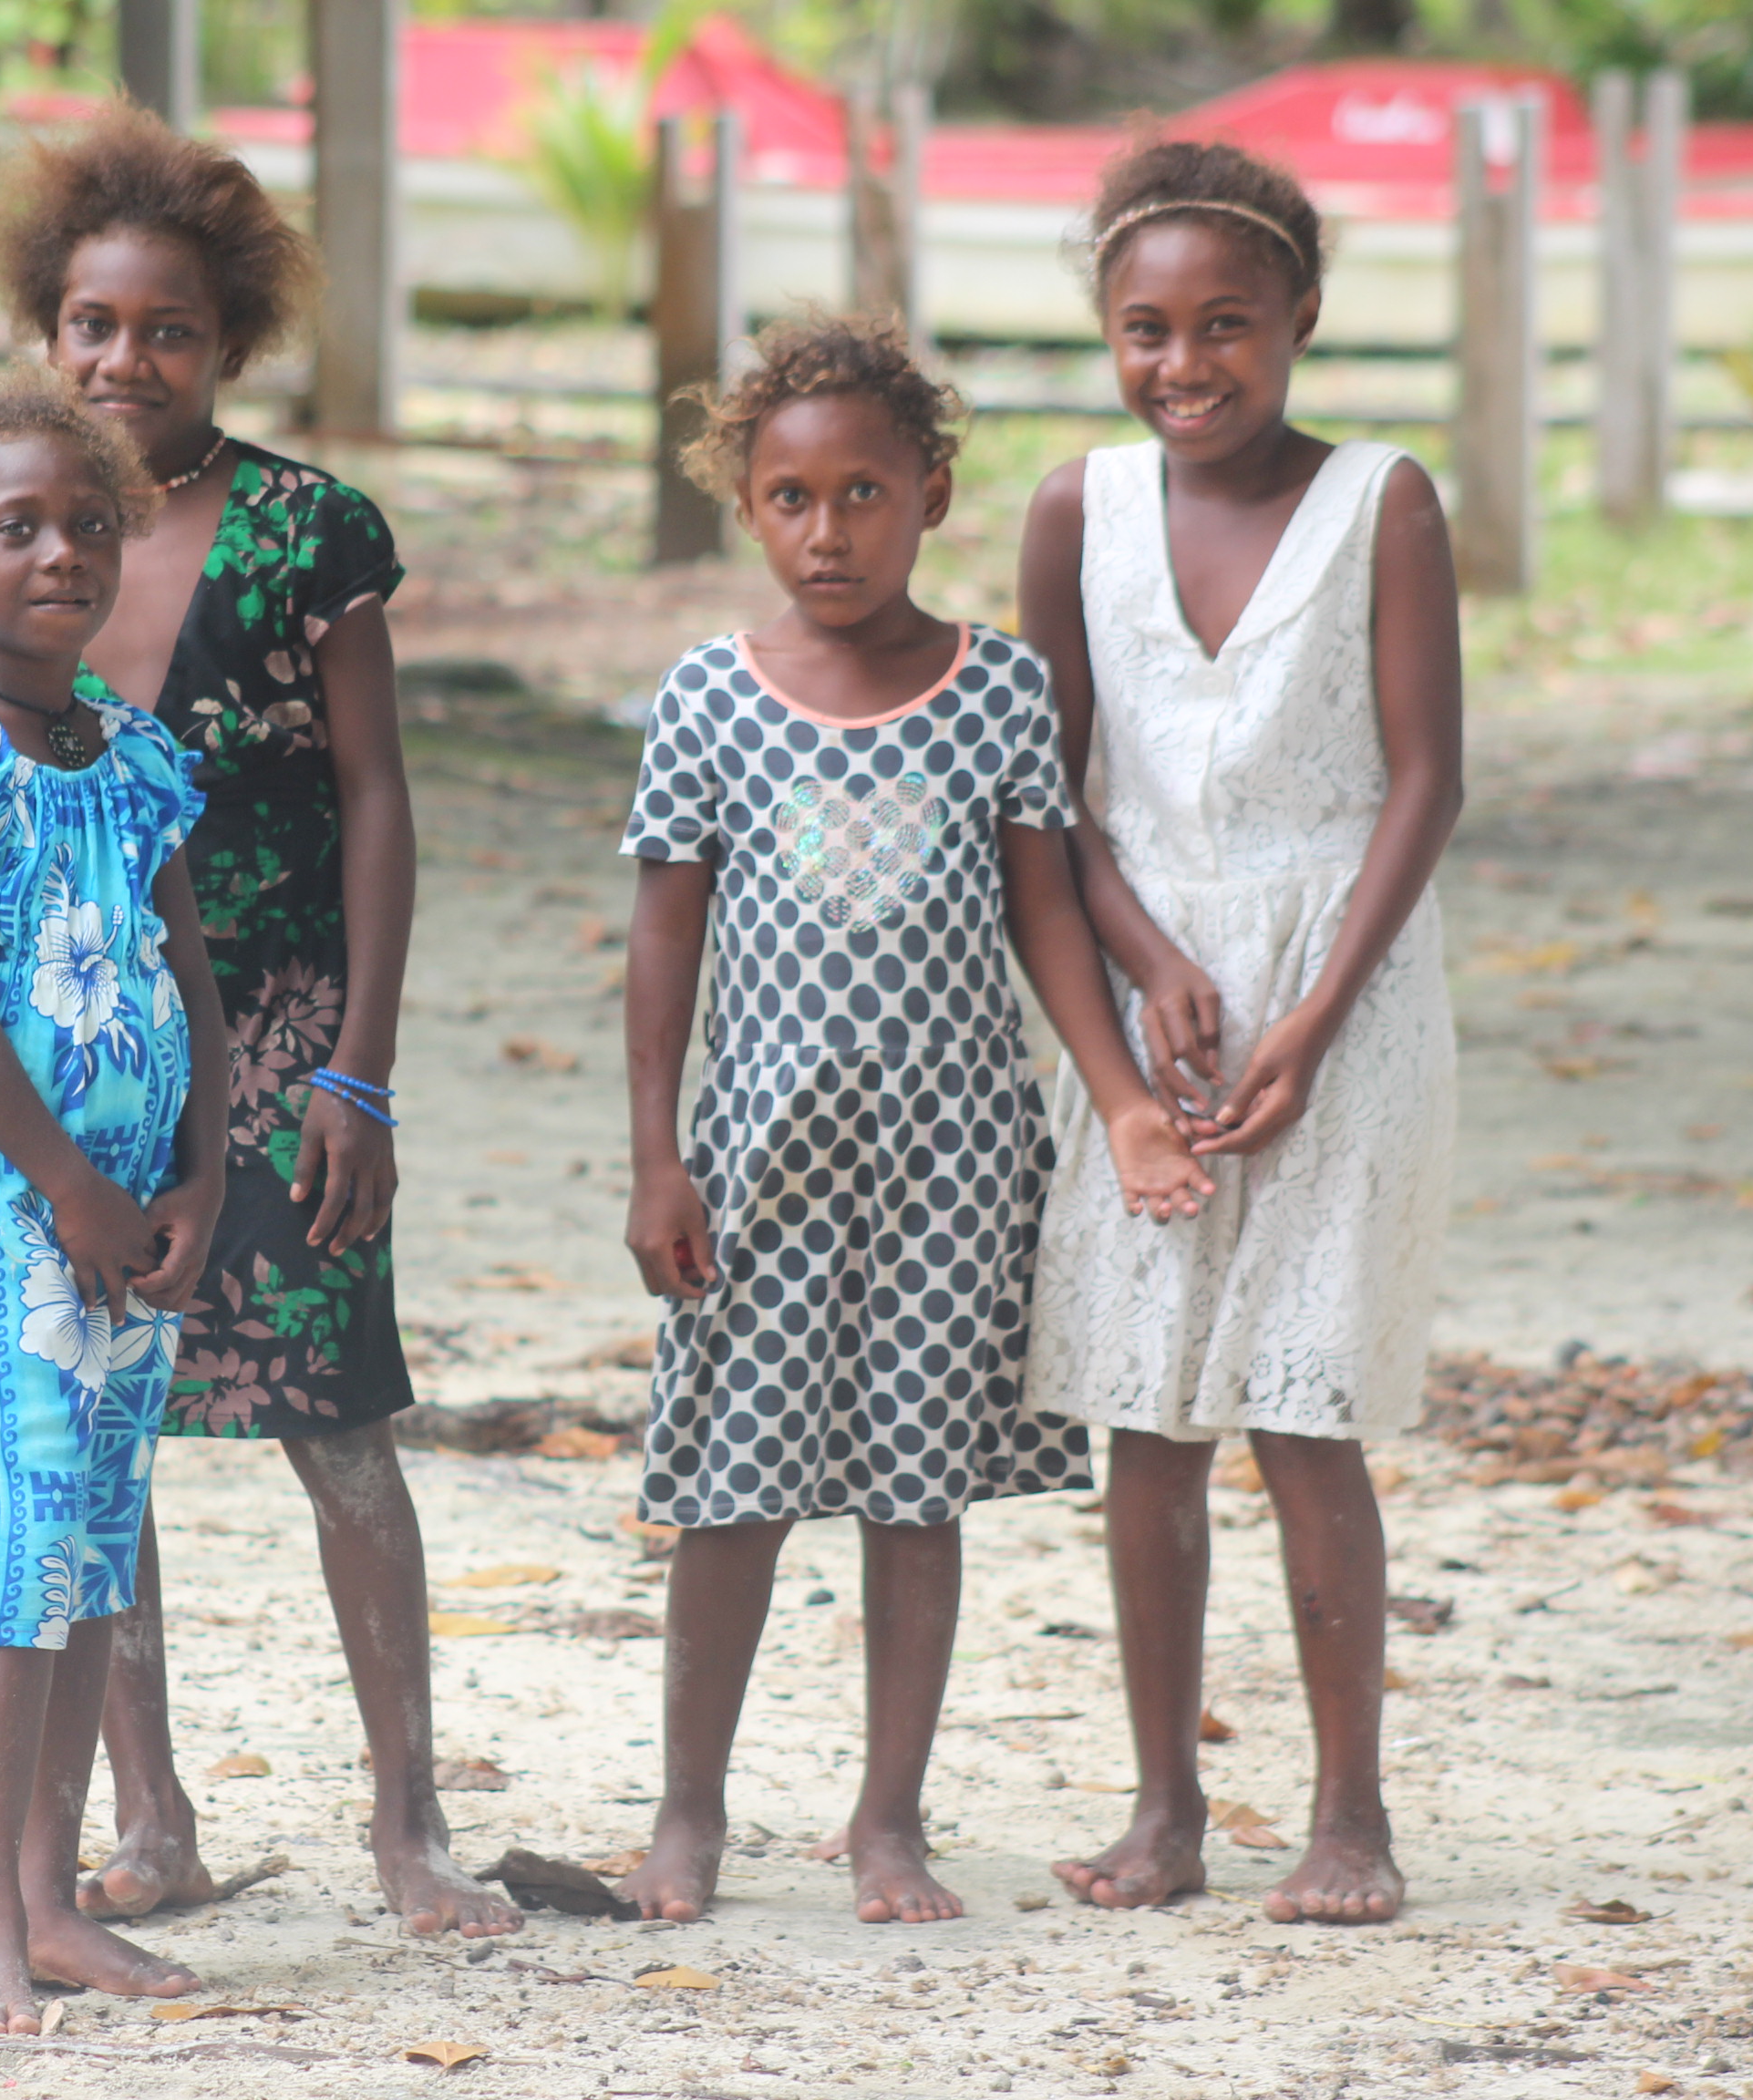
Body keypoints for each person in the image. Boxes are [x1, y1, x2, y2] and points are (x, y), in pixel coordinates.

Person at [0, 105, 514, 1938]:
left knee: (337, 1425)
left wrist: (360, 1062)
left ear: (230, 342)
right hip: (83, 1052)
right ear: (49, 329)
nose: (127, 359)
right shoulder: (5, 521)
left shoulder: (303, 533)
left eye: (170, 330)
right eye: (94, 327)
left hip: (285, 1039)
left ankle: (408, 1824)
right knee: (96, 1425)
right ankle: (154, 1825)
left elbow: (374, 797)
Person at [615, 313, 1213, 1927]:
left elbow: (1047, 922)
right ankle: (691, 1814)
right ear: (749, 505)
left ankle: (891, 1819)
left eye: (866, 493)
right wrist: (658, 1154)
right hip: (760, 1158)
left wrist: (1121, 1105)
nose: (831, 530)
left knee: (914, 1488)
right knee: (732, 1488)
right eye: (794, 498)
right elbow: (664, 942)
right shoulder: (706, 701)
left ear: (933, 496)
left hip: (959, 1160)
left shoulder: (997, 691)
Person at [1022, 140, 1462, 1926]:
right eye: (1147, 329)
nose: (1186, 363)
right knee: (1148, 1417)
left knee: (1306, 1413)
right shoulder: (1076, 510)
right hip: (1149, 1018)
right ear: (1107, 337)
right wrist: (1136, 952)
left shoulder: (1385, 502)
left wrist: (1315, 1011)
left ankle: (1350, 1814)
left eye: (1227, 325)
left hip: (1341, 992)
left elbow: (1428, 779)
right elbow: (1040, 789)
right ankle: (1164, 1809)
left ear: (1300, 323)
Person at [0, 365, 228, 2032]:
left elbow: (188, 982)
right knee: (4, 1568)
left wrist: (205, 1175)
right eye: (18, 529)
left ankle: (59, 1899)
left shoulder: (140, 754)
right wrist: (73, 1185)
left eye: (91, 525)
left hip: (127, 1222)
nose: (61, 553)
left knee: (85, 1554)